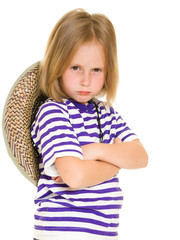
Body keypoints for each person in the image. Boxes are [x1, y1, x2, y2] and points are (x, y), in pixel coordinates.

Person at [31, 8, 148, 240]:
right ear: (58, 65)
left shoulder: (106, 113)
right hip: (63, 231)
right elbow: (75, 177)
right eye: (76, 68)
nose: (86, 80)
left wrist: (94, 151)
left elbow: (140, 157)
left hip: (103, 231)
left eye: (96, 70)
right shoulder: (53, 112)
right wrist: (114, 163)